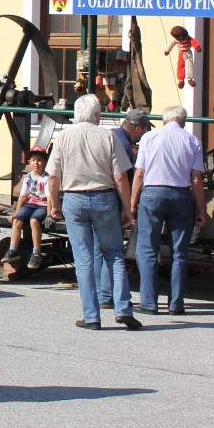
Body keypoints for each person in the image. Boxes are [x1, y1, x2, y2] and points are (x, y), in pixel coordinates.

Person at [47, 93, 138, 330]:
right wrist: (127, 208)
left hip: (74, 198)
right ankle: (123, 309)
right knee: (114, 254)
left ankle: (91, 316)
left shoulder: (64, 136)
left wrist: (54, 204)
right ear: (97, 115)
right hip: (104, 197)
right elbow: (120, 176)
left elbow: (54, 176)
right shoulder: (108, 135)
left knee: (84, 259)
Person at [130, 104, 208, 315]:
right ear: (183, 121)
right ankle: (176, 303)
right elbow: (196, 179)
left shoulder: (149, 138)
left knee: (147, 249)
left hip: (153, 193)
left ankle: (148, 302)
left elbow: (139, 174)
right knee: (179, 251)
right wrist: (202, 210)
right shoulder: (193, 141)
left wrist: (132, 203)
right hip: (181, 194)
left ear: (165, 120)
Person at [95, 107, 151, 309]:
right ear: (136, 128)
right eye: (144, 129)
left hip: (95, 194)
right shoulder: (124, 145)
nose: (144, 134)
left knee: (97, 249)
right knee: (112, 249)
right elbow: (123, 178)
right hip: (111, 200)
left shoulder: (110, 135)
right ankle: (107, 296)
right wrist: (127, 208)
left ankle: (99, 293)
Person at [2, 146, 50, 276]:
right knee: (17, 220)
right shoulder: (28, 177)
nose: (36, 163)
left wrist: (50, 214)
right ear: (29, 162)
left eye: (40, 160)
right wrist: (17, 212)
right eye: (33, 160)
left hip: (43, 205)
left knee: (34, 221)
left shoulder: (46, 178)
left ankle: (36, 253)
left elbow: (50, 198)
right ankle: (12, 250)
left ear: (45, 162)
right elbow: (23, 196)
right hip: (31, 204)